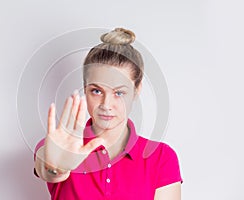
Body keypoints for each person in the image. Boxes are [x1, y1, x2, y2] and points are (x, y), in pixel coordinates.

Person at [34, 28, 183, 200]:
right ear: (85, 88)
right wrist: (57, 167)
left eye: (119, 93)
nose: (106, 105)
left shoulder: (161, 158)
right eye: (97, 91)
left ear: (136, 90)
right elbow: (48, 170)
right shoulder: (59, 146)